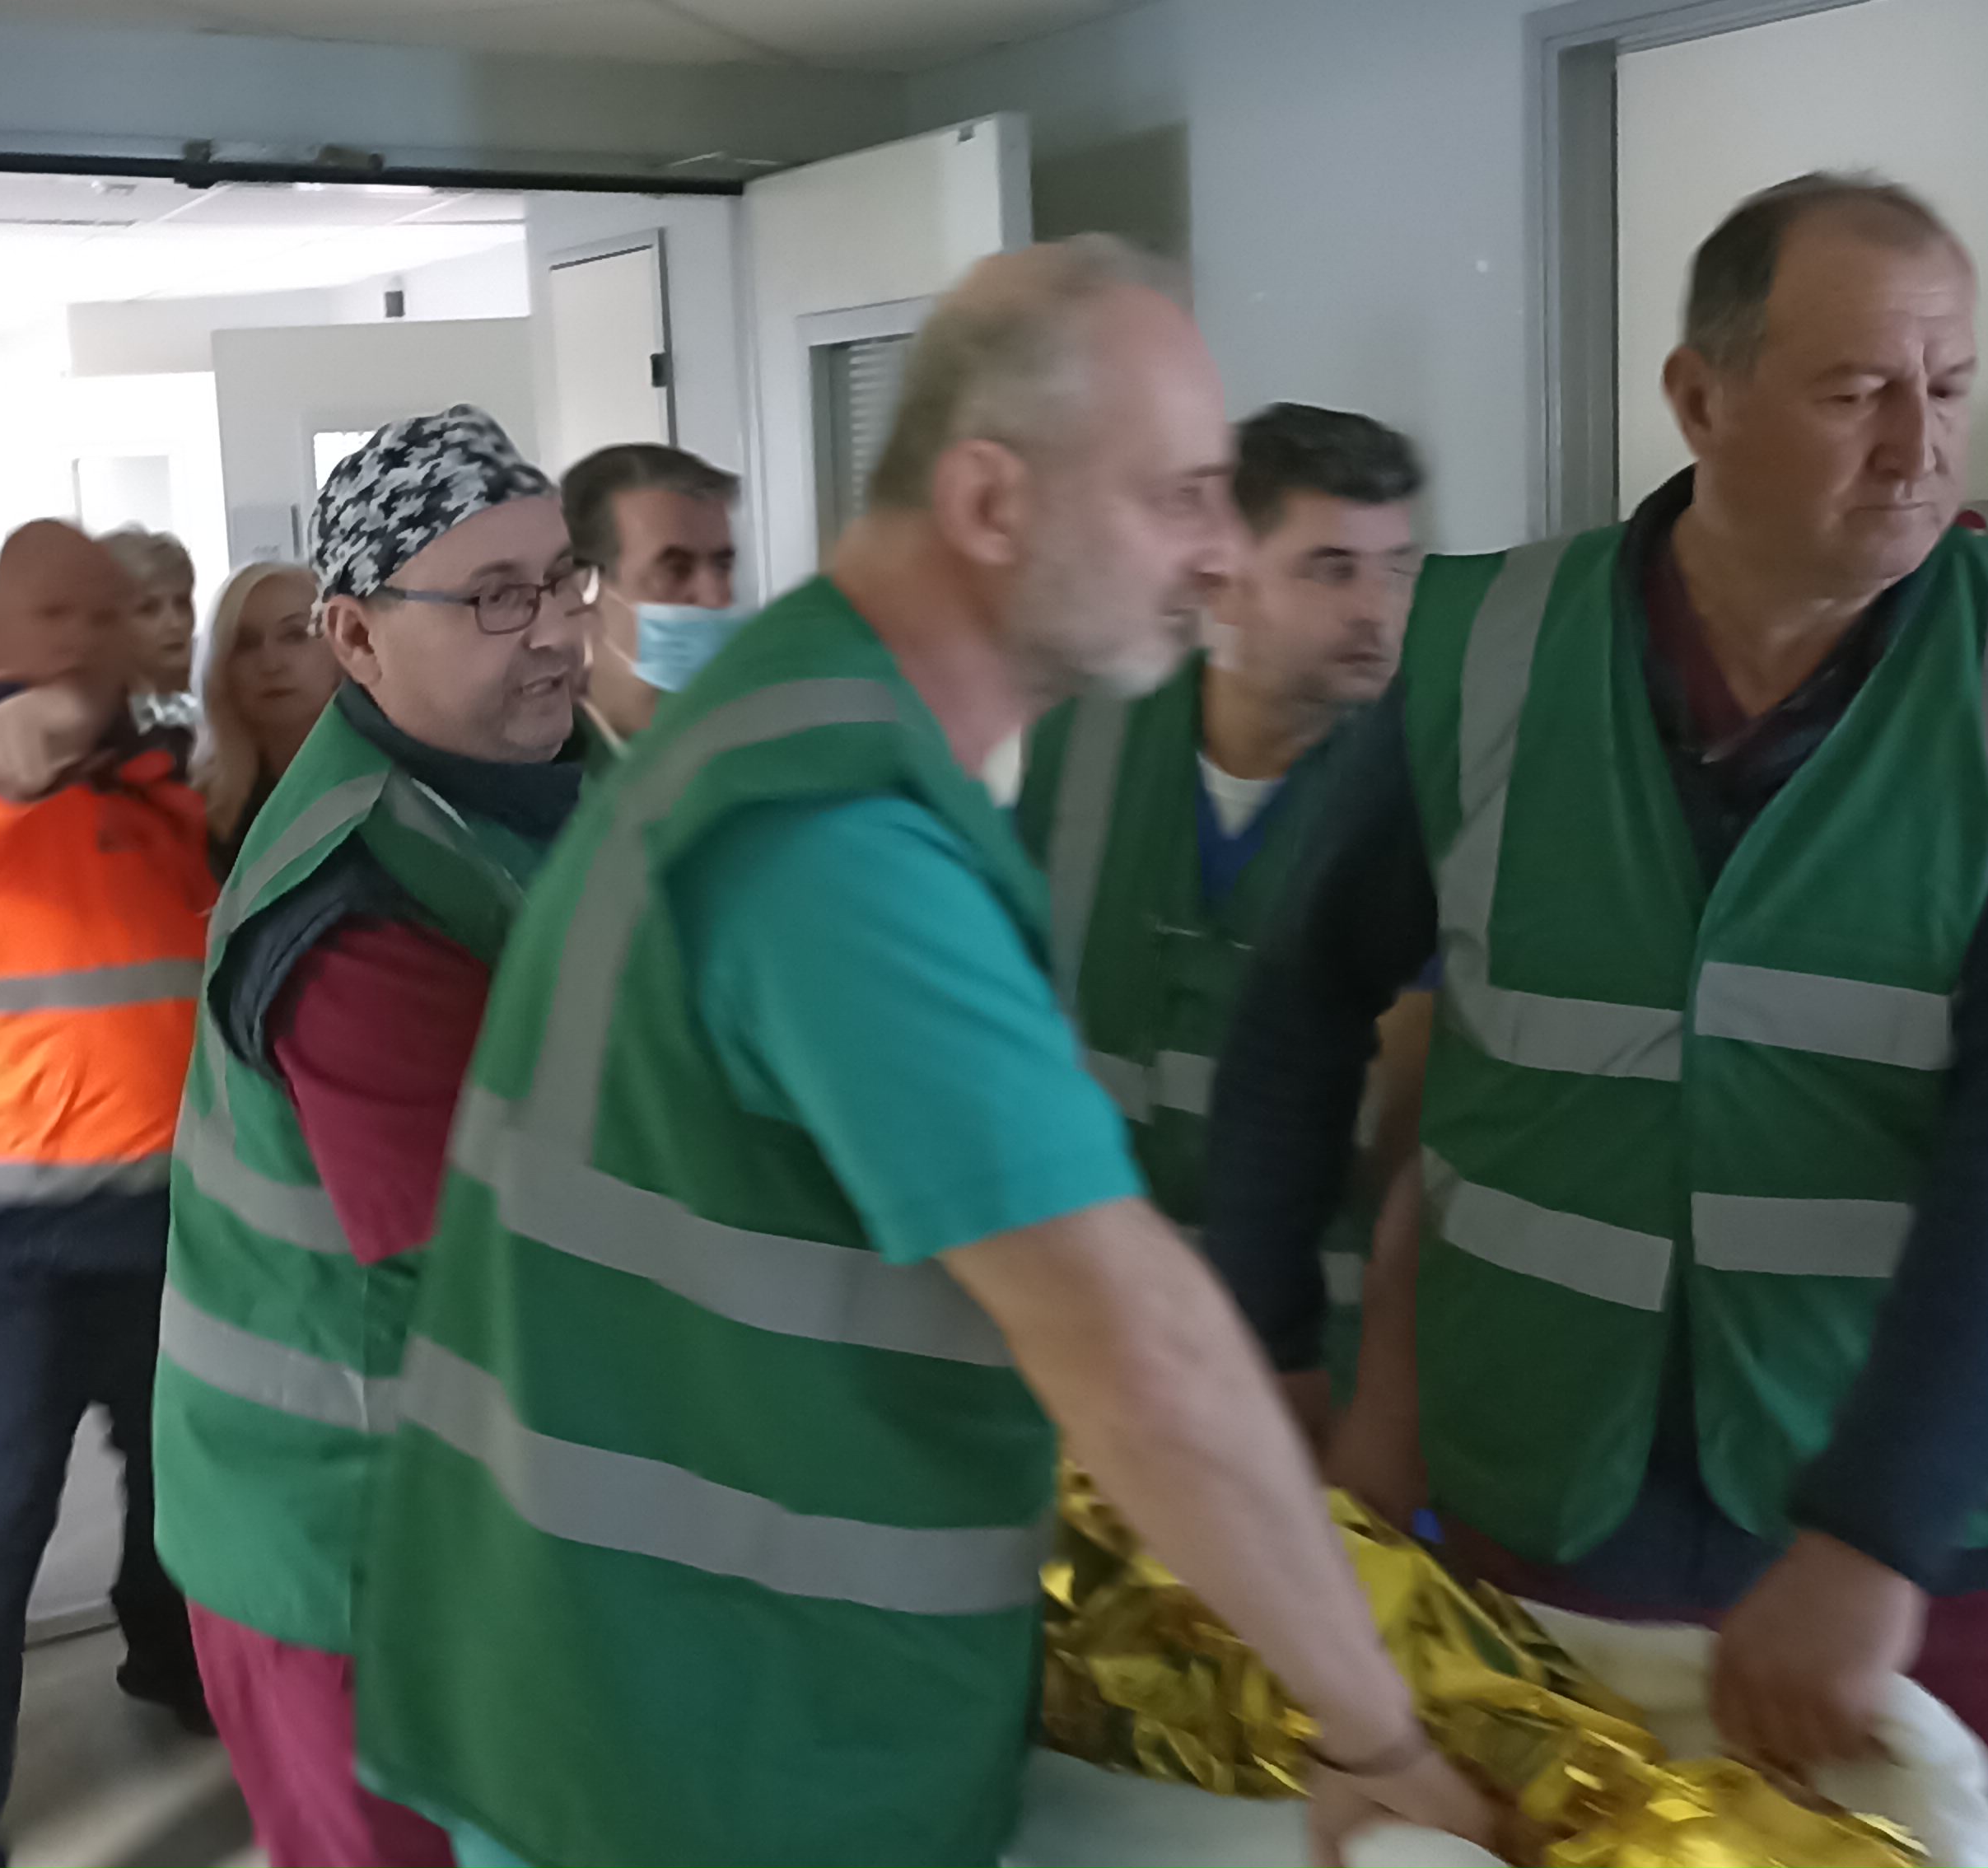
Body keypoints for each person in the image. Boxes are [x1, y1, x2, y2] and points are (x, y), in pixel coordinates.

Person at [347, 239, 1501, 1868]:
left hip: (638, 1683)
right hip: (703, 1753)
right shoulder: (832, 835)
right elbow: (1133, 1342)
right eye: (1175, 495)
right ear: (989, 501)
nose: (1210, 549)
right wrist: (1377, 1734)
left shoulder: (784, 716)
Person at [1207, 175, 1988, 1868]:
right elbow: (1298, 998)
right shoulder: (1481, 650)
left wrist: (1872, 1536)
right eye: (1853, 390)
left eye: (1947, 387)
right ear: (1698, 396)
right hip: (1543, 1505)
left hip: (1916, 1552)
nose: (1915, 448)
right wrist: (1269, 1338)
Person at [157, 410, 593, 1868]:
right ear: (354, 635)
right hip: (344, 1551)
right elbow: (510, 1251)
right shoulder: (349, 903)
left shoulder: (546, 778)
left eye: (564, 578)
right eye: (494, 597)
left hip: (487, 1511)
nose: (554, 630)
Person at [0, 520, 219, 1868]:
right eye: (51, 612)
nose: (79, 637)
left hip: (160, 1216)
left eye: (101, 611)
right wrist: (101, 678)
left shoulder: (156, 788)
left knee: (195, 1486)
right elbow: (32, 731)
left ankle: (178, 1667)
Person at [1013, 402, 1429, 1427]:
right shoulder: (1082, 744)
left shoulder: (1433, 785)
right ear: (1220, 578)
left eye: (1399, 567)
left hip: (1313, 1353)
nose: (1378, 610)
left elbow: (1416, 1131)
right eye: (1330, 569)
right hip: (1095, 1324)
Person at [558, 442, 741, 757]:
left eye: (722, 567)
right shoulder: (530, 765)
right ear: (581, 592)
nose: (716, 597)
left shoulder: (749, 739)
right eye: (675, 570)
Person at [197, 559, 337, 877]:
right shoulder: (199, 804)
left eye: (295, 635)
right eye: (246, 644)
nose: (271, 664)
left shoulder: (391, 782)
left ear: (339, 645)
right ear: (222, 669)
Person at [103, 525, 201, 704]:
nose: (175, 623)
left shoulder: (214, 707)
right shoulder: (85, 716)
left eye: (182, 603)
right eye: (148, 609)